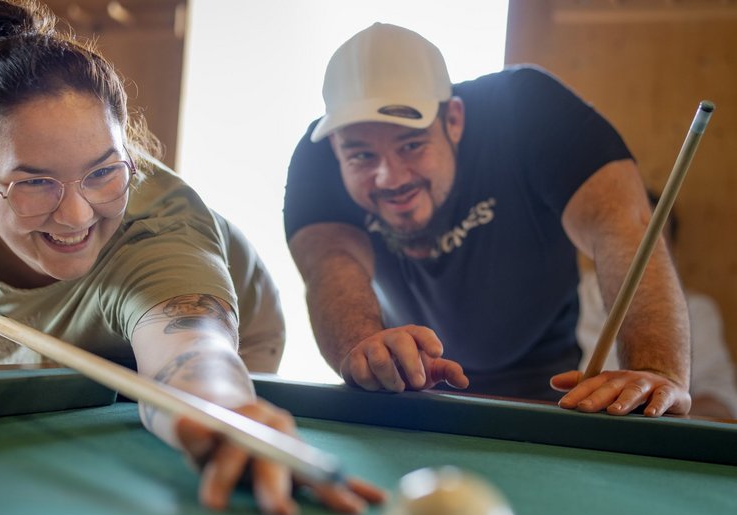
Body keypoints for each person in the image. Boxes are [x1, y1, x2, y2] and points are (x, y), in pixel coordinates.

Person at [0, 0, 383, 515]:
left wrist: (223, 409)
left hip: (232, 336)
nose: (76, 215)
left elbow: (191, 355)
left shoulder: (157, 231)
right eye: (34, 182)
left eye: (103, 172)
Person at [284, 23, 692, 417]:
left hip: (548, 382)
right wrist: (365, 348)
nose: (390, 177)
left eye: (411, 144)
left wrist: (654, 369)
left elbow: (621, 225)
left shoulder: (530, 110)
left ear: (454, 120)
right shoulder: (316, 159)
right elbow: (331, 267)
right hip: (410, 383)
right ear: (336, 147)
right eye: (361, 156)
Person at [577, 196, 737, 420]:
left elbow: (724, 401)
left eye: (655, 241)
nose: (640, 252)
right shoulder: (579, 296)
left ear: (673, 253)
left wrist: (660, 416)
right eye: (628, 238)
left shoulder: (699, 311)